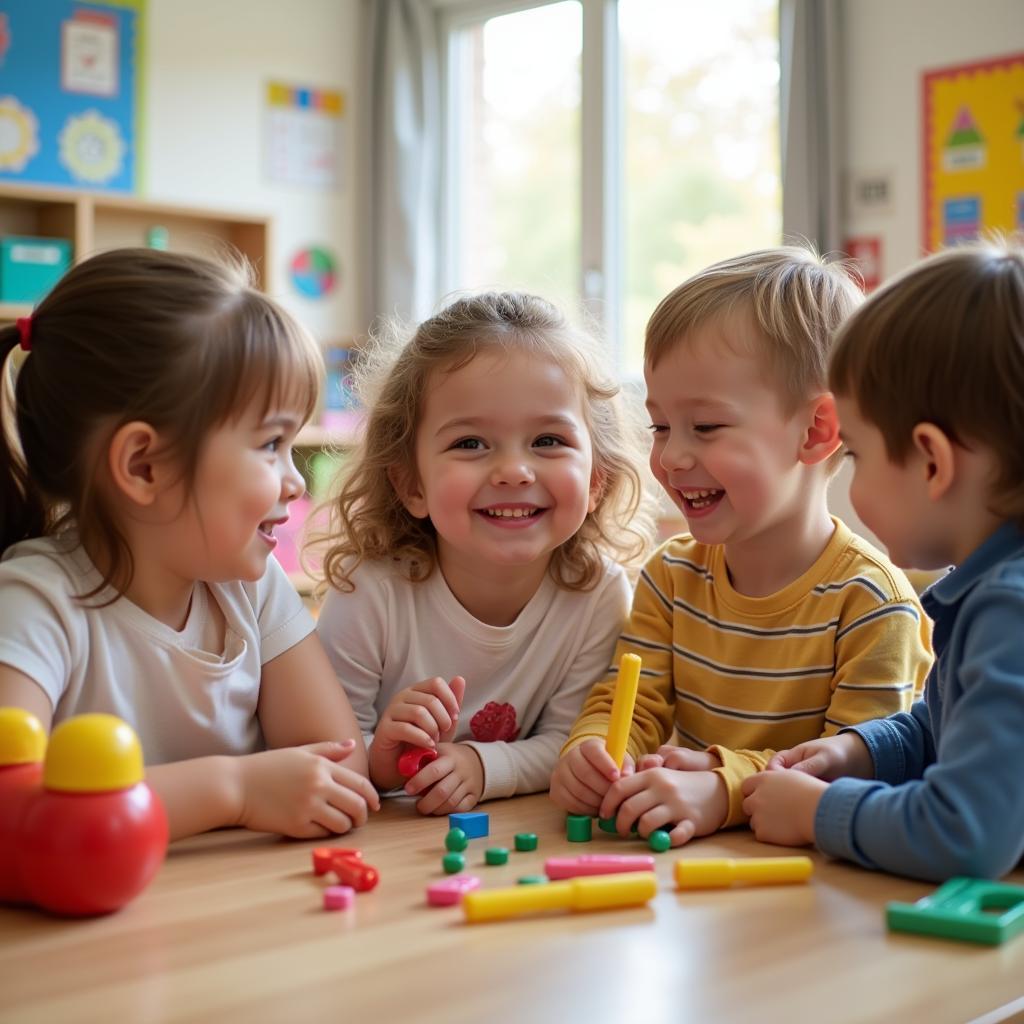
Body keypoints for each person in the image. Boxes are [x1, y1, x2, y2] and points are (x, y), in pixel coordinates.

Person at [551, 246, 933, 846]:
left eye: (705, 427)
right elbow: (633, 700)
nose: (672, 457)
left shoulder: (871, 603)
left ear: (815, 432)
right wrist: (595, 747)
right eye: (660, 426)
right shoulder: (671, 575)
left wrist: (723, 788)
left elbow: (853, 771)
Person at [0, 248, 378, 842]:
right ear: (144, 466)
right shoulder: (35, 605)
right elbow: (12, 809)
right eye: (269, 445)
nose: (296, 480)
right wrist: (236, 791)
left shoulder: (251, 588)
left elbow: (339, 769)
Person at [742, 240, 1024, 881]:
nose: (854, 485)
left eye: (859, 456)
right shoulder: (993, 590)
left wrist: (821, 813)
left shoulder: (1011, 609)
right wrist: (860, 751)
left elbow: (967, 833)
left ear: (932, 462)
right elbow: (956, 730)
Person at [314, 291, 656, 814]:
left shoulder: (599, 592)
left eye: (547, 440)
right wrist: (381, 760)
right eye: (470, 443)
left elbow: (573, 744)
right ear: (411, 484)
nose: (514, 470)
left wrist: (482, 766)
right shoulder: (369, 591)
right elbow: (323, 754)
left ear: (595, 482)